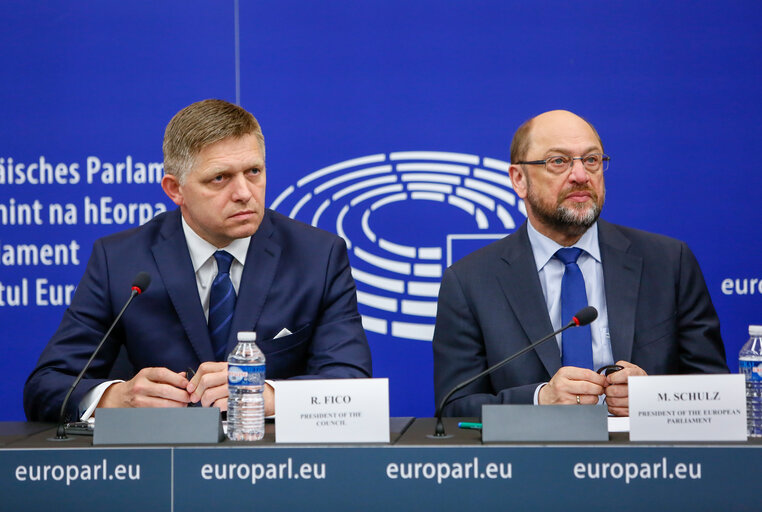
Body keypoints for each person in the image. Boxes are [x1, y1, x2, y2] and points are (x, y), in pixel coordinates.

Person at [24, 99, 372, 423]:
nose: (243, 193)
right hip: (158, 472)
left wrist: (265, 396)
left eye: (253, 171)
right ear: (175, 189)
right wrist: (119, 397)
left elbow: (353, 386)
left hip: (274, 468)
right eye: (219, 178)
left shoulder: (317, 256)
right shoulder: (120, 260)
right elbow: (47, 387)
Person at [433, 109, 728, 418]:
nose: (580, 176)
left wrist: (653, 398)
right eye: (558, 161)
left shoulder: (669, 263)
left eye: (591, 160)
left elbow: (717, 394)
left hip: (646, 461)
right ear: (519, 179)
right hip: (531, 461)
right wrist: (539, 401)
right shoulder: (470, 281)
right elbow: (453, 409)